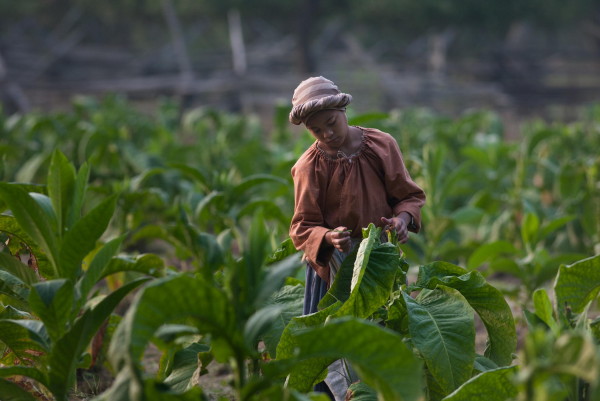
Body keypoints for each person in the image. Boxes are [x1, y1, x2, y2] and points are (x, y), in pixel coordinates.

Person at [288, 76, 426, 400]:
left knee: (383, 337)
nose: (327, 134)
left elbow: (408, 197)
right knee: (330, 350)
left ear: (343, 109)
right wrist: (327, 236)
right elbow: (301, 226)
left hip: (379, 264)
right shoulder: (309, 166)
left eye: (331, 123)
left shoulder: (381, 145)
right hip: (330, 275)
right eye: (316, 130)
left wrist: (402, 220)